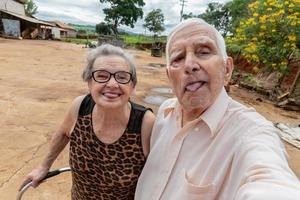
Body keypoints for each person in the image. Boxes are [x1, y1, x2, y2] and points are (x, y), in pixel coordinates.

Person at [135, 18, 300, 200]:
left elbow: (271, 182)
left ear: (227, 69)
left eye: (204, 52)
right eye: (178, 58)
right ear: (169, 76)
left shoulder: (251, 134)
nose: (190, 65)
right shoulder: (165, 113)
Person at [20, 44, 155, 199]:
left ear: (132, 85)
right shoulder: (80, 107)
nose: (112, 84)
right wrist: (44, 166)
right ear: (89, 82)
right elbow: (63, 133)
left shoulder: (144, 122)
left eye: (122, 77)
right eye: (102, 76)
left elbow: (159, 174)